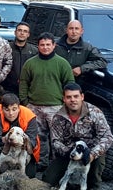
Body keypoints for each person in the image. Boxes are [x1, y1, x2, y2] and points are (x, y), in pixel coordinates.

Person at [42, 83, 113, 190]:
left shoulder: (95, 112)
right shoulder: (58, 117)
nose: (73, 100)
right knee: (47, 181)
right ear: (64, 99)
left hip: (89, 151)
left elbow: (108, 136)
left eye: (76, 96)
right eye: (69, 97)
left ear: (82, 97)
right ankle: (68, 184)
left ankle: (93, 187)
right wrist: (69, 152)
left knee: (99, 159)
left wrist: (92, 154)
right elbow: (55, 141)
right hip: (69, 152)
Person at [19, 32, 75, 169]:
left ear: (54, 45)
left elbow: (70, 84)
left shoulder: (62, 63)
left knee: (57, 138)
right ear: (38, 46)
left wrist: (66, 104)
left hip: (56, 107)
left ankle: (57, 166)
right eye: (42, 45)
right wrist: (25, 102)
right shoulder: (30, 63)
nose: (45, 47)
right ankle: (40, 162)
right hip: (34, 106)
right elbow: (24, 83)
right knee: (39, 137)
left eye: (48, 45)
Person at [0, 93, 39, 178]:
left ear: (19, 108)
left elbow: (33, 139)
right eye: (7, 110)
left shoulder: (29, 116)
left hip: (23, 149)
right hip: (5, 145)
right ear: (2, 108)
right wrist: (4, 139)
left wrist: (22, 144)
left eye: (14, 109)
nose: (11, 113)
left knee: (30, 174)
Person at [1, 22, 37, 94]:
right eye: (20, 30)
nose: (22, 33)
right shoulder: (6, 48)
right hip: (7, 89)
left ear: (28, 34)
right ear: (15, 32)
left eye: (25, 31)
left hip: (27, 90)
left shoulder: (34, 51)